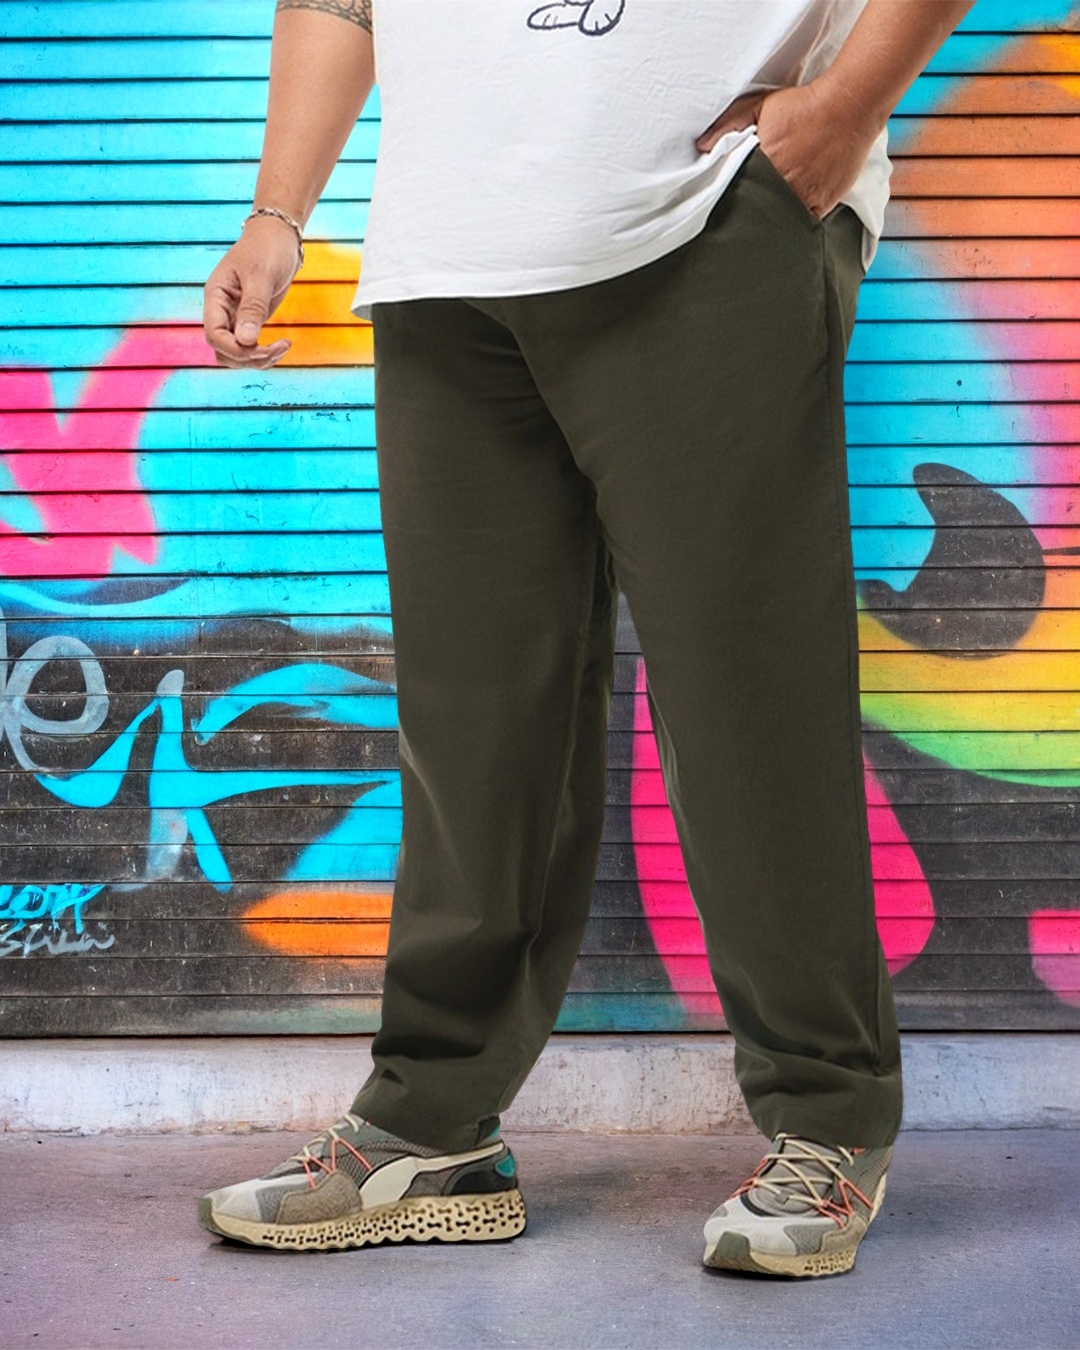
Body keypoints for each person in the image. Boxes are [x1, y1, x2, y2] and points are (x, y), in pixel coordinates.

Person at [199, 0, 976, 1278]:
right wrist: (279, 212)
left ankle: (830, 1119)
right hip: (449, 253)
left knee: (746, 701)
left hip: (706, 217)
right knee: (474, 723)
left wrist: (843, 112)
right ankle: (433, 1126)